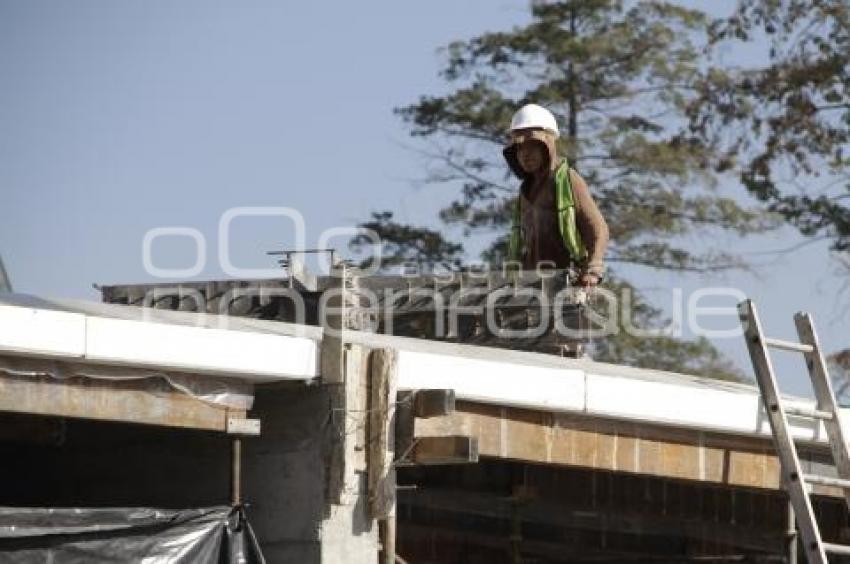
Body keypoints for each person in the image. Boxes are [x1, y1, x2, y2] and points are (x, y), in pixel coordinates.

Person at [503, 104, 609, 287]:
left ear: (548, 146)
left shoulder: (568, 180)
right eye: (520, 149)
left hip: (566, 283)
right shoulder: (525, 192)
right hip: (531, 286)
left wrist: (592, 270)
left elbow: (598, 228)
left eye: (532, 146)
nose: (525, 154)